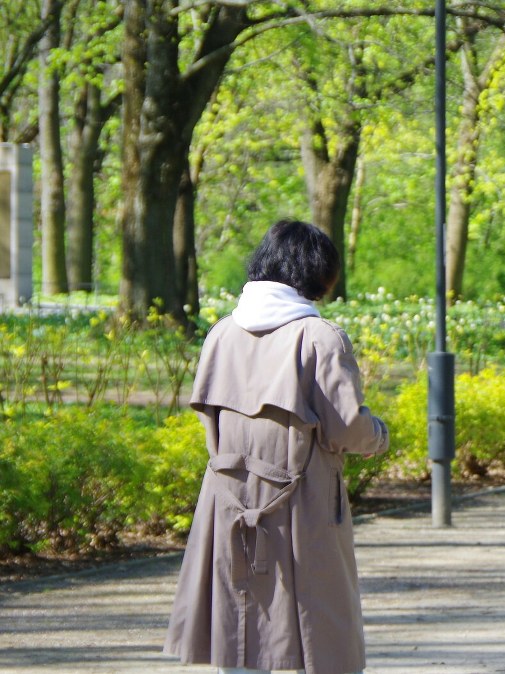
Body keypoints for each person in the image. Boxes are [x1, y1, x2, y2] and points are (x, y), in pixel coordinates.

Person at [165, 219, 389, 674]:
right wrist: (379, 434)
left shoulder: (221, 333)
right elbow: (346, 428)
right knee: (313, 627)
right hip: (300, 501)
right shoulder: (319, 337)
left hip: (227, 499)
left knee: (238, 618)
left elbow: (209, 417)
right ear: (317, 274)